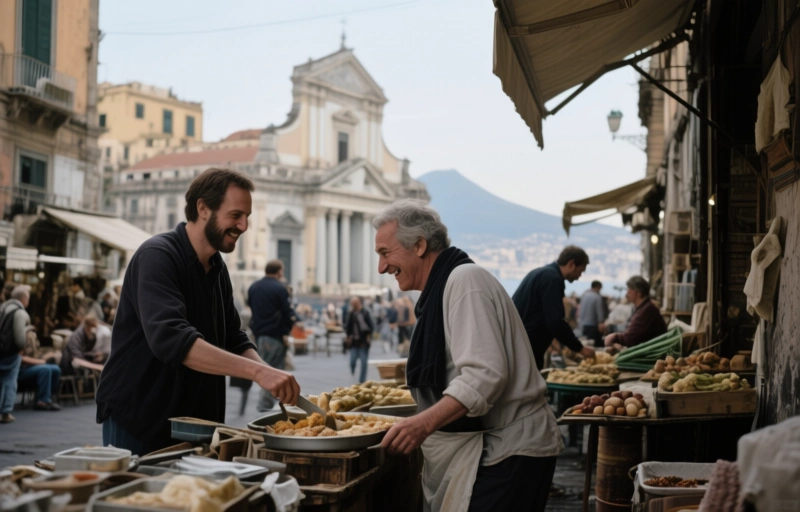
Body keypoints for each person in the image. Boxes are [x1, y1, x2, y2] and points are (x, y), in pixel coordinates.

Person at [375, 200, 564, 511]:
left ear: (419, 245)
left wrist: (422, 424)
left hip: (510, 451)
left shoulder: (465, 281)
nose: (382, 267)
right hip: (494, 450)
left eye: (385, 253)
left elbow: (484, 376)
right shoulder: (444, 287)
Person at [96, 167, 299, 455]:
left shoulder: (217, 267)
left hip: (198, 424)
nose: (243, 226)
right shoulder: (157, 255)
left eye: (247, 218)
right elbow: (173, 340)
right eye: (236, 215)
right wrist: (257, 373)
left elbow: (233, 336)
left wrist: (271, 373)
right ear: (203, 208)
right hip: (141, 420)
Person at [512, 246, 596, 371]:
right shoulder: (552, 279)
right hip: (527, 349)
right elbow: (555, 321)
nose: (579, 276)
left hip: (518, 345)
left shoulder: (542, 273)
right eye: (581, 271)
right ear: (571, 264)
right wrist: (579, 348)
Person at [247, 259, 297, 412]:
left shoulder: (253, 287)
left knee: (266, 369)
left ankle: (271, 407)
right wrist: (285, 332)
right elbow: (286, 314)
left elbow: (253, 311)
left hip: (260, 336)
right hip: (275, 336)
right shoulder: (280, 288)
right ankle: (264, 409)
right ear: (279, 271)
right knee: (273, 374)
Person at [604, 276, 667, 350]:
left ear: (639, 293)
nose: (627, 292)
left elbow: (631, 338)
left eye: (630, 289)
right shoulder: (642, 308)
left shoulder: (647, 310)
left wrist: (615, 336)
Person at [0, 285, 33, 424]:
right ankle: (6, 412)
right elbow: (20, 338)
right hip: (10, 353)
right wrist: (21, 348)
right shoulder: (20, 313)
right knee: (10, 380)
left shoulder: (2, 307)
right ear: (24, 298)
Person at [18, 326, 62, 411]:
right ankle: (42, 401)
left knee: (56, 369)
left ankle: (50, 397)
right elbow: (20, 359)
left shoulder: (33, 341)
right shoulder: (21, 340)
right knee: (45, 369)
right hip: (22, 369)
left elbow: (37, 356)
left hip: (33, 366)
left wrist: (50, 355)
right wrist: (42, 361)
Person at [344, 297, 374, 383]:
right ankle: (353, 372)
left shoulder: (365, 313)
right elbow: (348, 326)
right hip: (354, 342)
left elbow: (370, 326)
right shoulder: (351, 313)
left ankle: (362, 381)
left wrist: (368, 336)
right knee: (352, 361)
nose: (353, 306)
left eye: (355, 304)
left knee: (364, 363)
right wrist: (348, 337)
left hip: (363, 341)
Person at [579, 280, 606, 345]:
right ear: (598, 287)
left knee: (586, 343)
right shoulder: (597, 297)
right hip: (593, 325)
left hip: (583, 324)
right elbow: (599, 311)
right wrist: (601, 322)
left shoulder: (584, 295)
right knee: (595, 344)